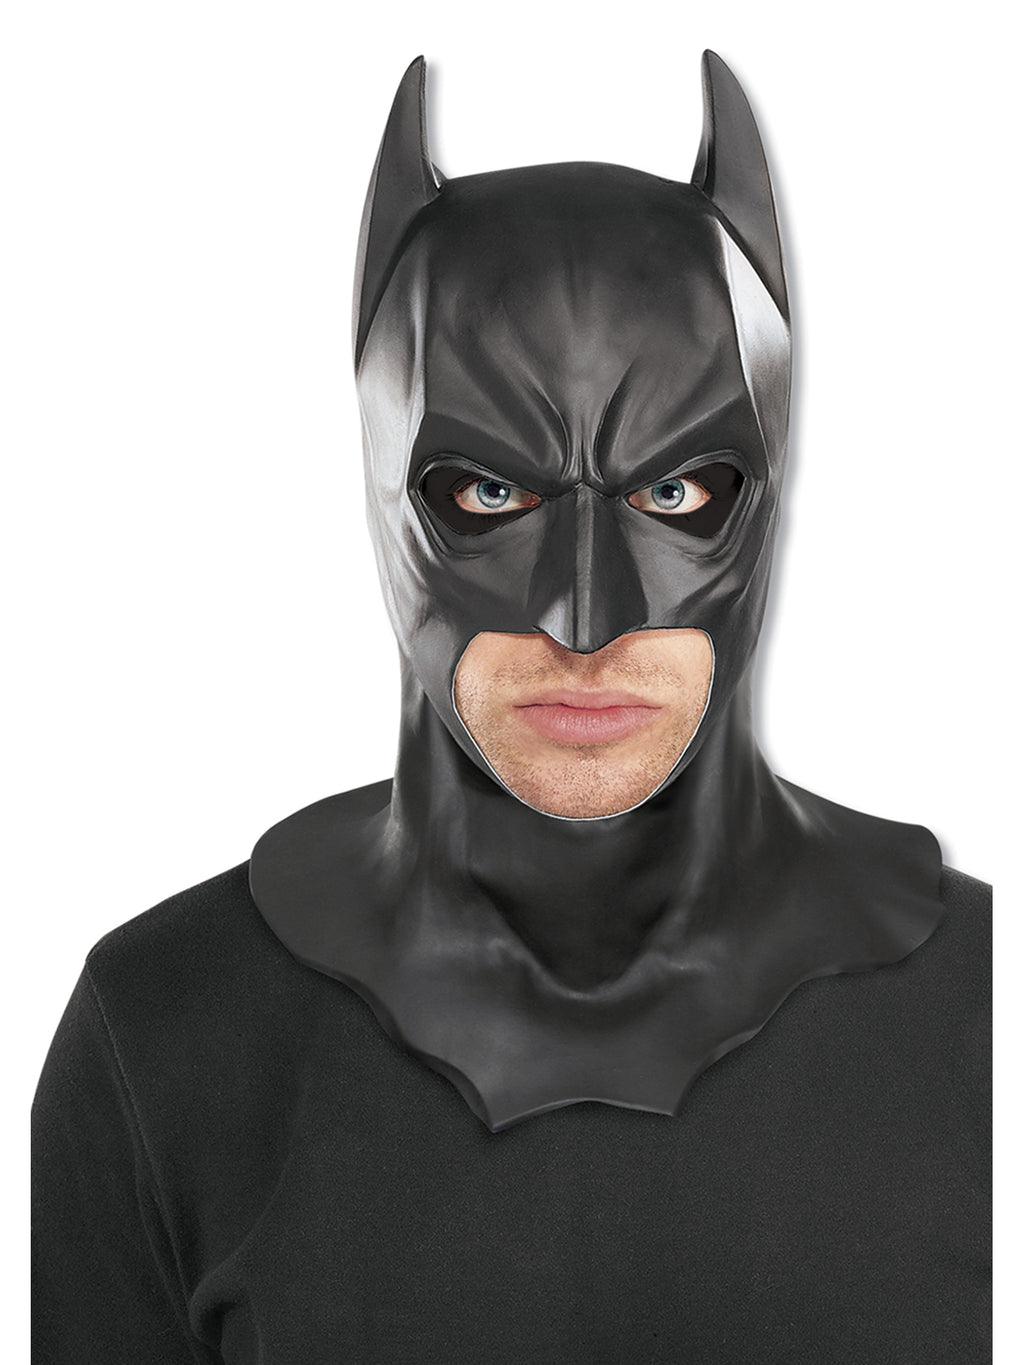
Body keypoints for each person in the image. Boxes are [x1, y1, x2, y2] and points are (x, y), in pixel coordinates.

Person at [32, 52, 990, 1364]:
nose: (583, 620)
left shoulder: (989, 1029)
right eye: (488, 495)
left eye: (674, 494)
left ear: (770, 476)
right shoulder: (165, 1041)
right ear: (380, 475)